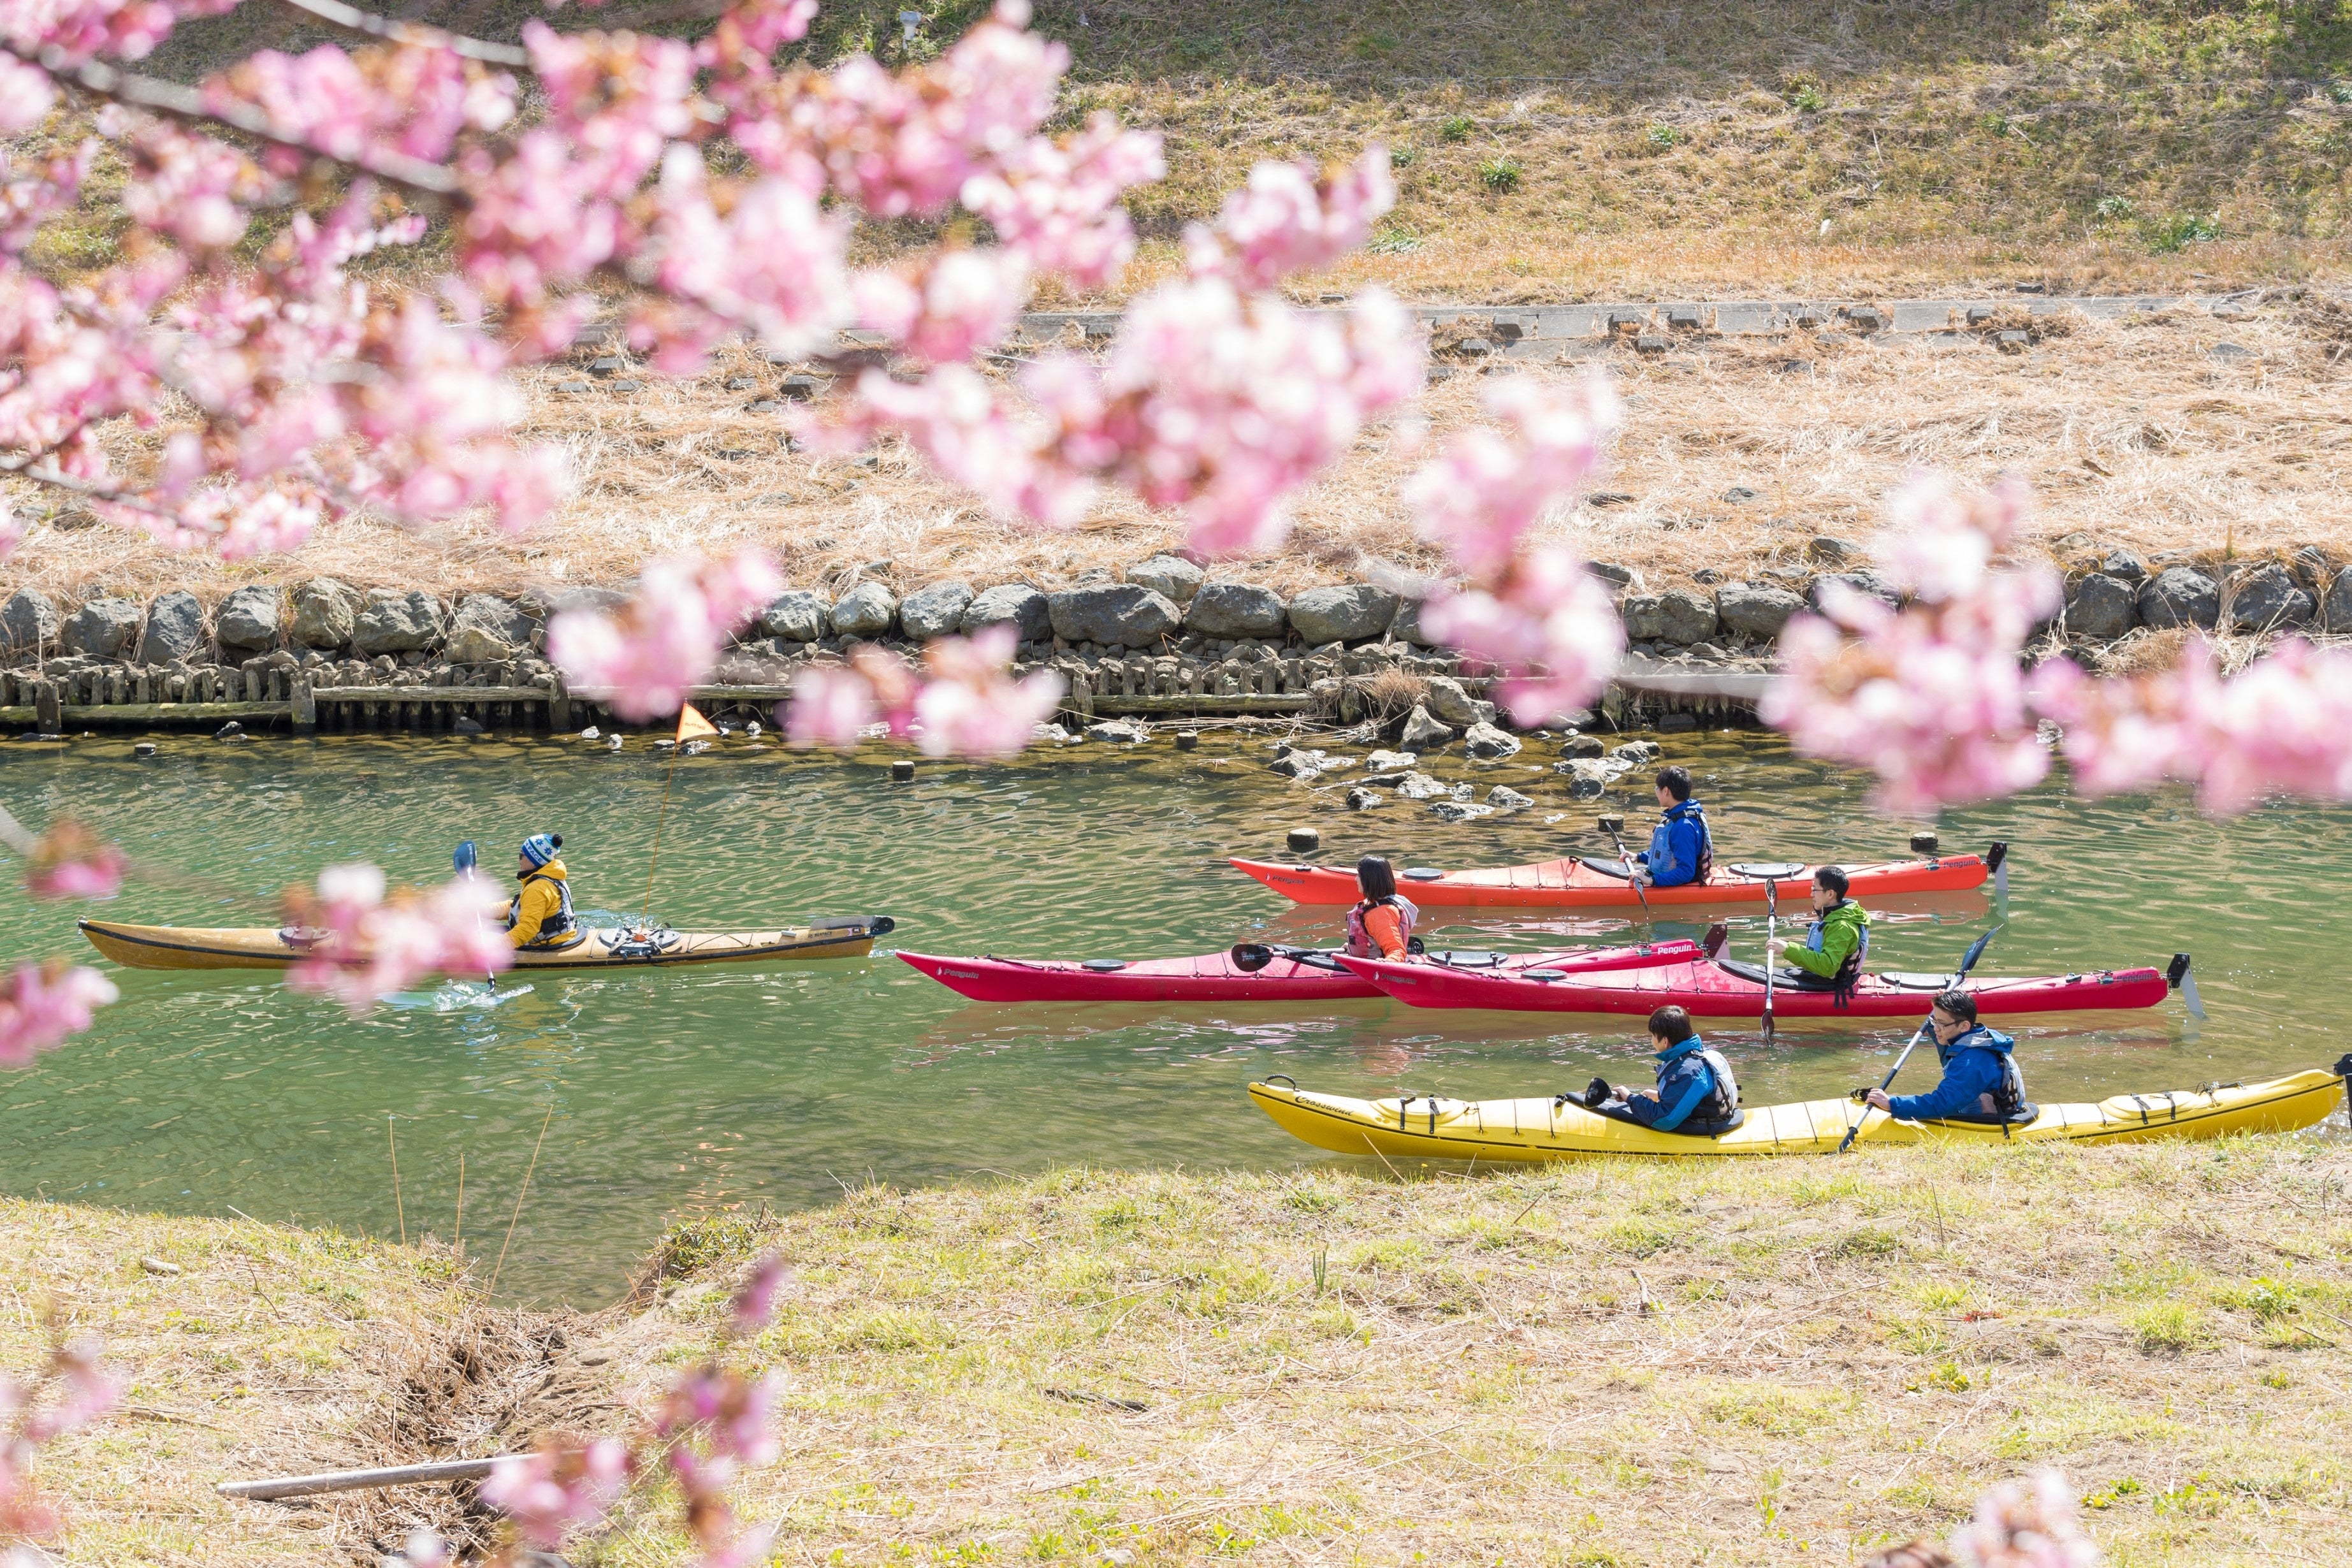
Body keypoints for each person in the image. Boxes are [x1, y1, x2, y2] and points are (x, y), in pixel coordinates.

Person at [1866, 991, 2027, 1122]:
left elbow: (1943, 1104)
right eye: (1934, 1020)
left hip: (1992, 1120)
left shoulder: (1972, 1061)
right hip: (1990, 1106)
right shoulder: (1974, 1038)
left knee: (1948, 1101)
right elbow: (1947, 1051)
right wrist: (1941, 1005)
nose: (1936, 1028)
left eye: (1941, 1024)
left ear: (1964, 1026)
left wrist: (1892, 1104)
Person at [1587, 1006, 1740, 1133]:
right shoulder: (1705, 1054)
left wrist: (1631, 1099)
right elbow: (1700, 1095)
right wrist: (1658, 1096)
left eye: (1653, 1036)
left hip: (1707, 1128)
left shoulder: (1688, 1071)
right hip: (1718, 1117)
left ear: (1665, 1041)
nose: (1652, 1041)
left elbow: (1665, 1120)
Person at [1769, 866, 1869, 1001]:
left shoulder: (1841, 926)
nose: (1811, 895)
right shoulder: (1835, 916)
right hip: (1823, 979)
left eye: (1814, 890)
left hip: (1832, 984)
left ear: (1830, 894)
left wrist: (1788, 949)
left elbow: (1828, 967)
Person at [1637, 766, 1713, 888]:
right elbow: (1667, 854)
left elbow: (1686, 872)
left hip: (1684, 882)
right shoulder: (1679, 817)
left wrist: (1652, 881)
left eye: (1657, 788)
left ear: (1665, 791)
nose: (1656, 792)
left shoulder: (1683, 827)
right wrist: (1638, 857)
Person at [507, 832, 578, 950]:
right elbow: (520, 906)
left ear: (534, 859)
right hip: (562, 936)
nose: (519, 858)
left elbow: (527, 929)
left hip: (547, 944)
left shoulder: (537, 888)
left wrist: (491, 949)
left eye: (522, 854)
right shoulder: (550, 877)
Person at [1345, 855, 1418, 961]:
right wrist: (1354, 946)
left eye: (1359, 875)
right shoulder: (1371, 904)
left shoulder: (1381, 913)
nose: (1356, 879)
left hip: (1374, 971)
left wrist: (1390, 961)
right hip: (1362, 962)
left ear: (1370, 879)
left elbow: (1396, 949)